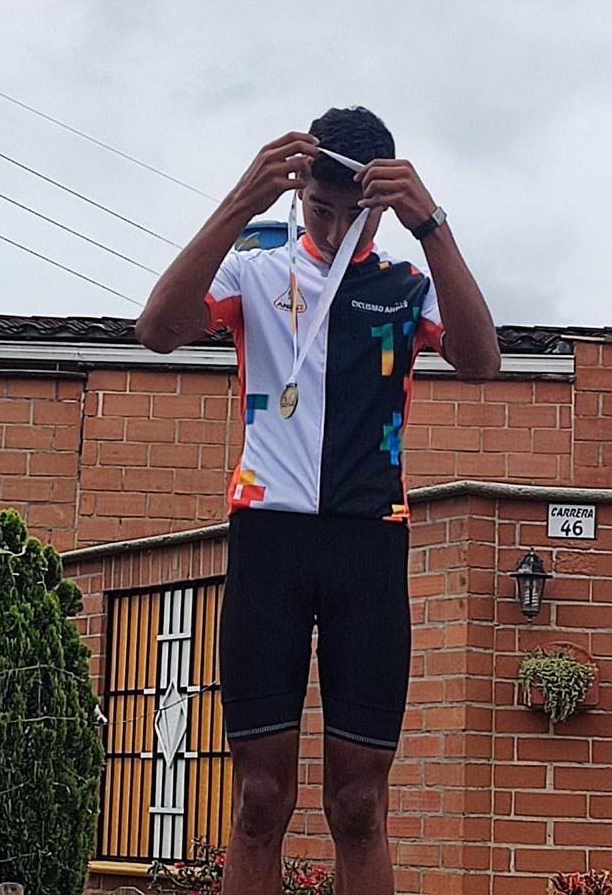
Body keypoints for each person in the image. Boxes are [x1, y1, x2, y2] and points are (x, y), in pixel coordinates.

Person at [136, 107, 500, 895]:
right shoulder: (254, 273)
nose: (333, 232)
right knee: (259, 799)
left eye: (352, 216)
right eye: (318, 210)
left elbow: (481, 359)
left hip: (368, 540)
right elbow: (157, 329)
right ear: (300, 195)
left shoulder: (407, 285)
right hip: (268, 539)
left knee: (359, 805)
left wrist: (431, 224)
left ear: (381, 208)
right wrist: (243, 199)